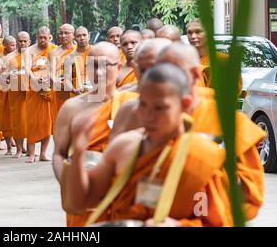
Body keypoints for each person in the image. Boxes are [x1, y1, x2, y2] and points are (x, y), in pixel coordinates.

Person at [110, 42, 265, 220]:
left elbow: (248, 195)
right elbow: (119, 184)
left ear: (194, 75)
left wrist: (203, 162)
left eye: (174, 74)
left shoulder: (230, 122)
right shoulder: (140, 113)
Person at [64, 63, 233, 227]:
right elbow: (79, 204)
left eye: (160, 108)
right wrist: (78, 153)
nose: (148, 116)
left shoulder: (203, 157)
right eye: (143, 105)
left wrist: (179, 225)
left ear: (185, 104)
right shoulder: (124, 146)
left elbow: (214, 221)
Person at [52, 42, 138, 227]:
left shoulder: (133, 105)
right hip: (85, 203)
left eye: (106, 65)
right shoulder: (72, 108)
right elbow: (59, 154)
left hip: (124, 198)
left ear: (119, 68)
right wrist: (71, 187)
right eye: (93, 65)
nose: (99, 72)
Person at [24, 26, 57, 163]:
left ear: (50, 37)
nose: (43, 40)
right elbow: (26, 68)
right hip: (33, 89)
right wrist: (34, 78)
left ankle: (43, 153)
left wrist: (48, 78)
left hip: (48, 88)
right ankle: (32, 153)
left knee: (46, 122)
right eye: (40, 37)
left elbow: (54, 68)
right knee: (32, 122)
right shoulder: (29, 50)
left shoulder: (54, 50)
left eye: (45, 38)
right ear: (36, 37)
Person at [186, 19, 242, 92]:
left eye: (198, 32)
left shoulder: (224, 60)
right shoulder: (183, 60)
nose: (193, 36)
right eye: (189, 33)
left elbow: (233, 90)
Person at [6, 31, 31, 158]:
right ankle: (19, 149)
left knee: (29, 119)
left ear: (29, 42)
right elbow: (5, 76)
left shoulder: (33, 55)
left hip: (30, 91)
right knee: (17, 120)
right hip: (15, 91)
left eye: (25, 41)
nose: (22, 43)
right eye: (20, 41)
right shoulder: (10, 57)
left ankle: (28, 147)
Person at [49, 24, 76, 123]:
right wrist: (56, 81)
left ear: (73, 35)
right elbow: (51, 72)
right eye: (61, 33)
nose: (63, 36)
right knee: (60, 122)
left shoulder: (79, 50)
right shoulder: (53, 53)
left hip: (76, 88)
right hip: (59, 89)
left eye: (66, 33)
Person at [0, 36, 17, 155]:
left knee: (18, 117)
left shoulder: (19, 57)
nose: (14, 47)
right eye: (11, 44)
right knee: (6, 118)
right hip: (4, 91)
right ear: (4, 45)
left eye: (15, 44)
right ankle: (8, 147)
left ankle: (20, 146)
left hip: (17, 89)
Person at [64, 26, 92, 97]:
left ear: (89, 36)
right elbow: (67, 80)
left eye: (84, 35)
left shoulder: (97, 52)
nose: (82, 38)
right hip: (77, 94)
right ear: (74, 38)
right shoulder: (69, 57)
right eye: (78, 36)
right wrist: (74, 90)